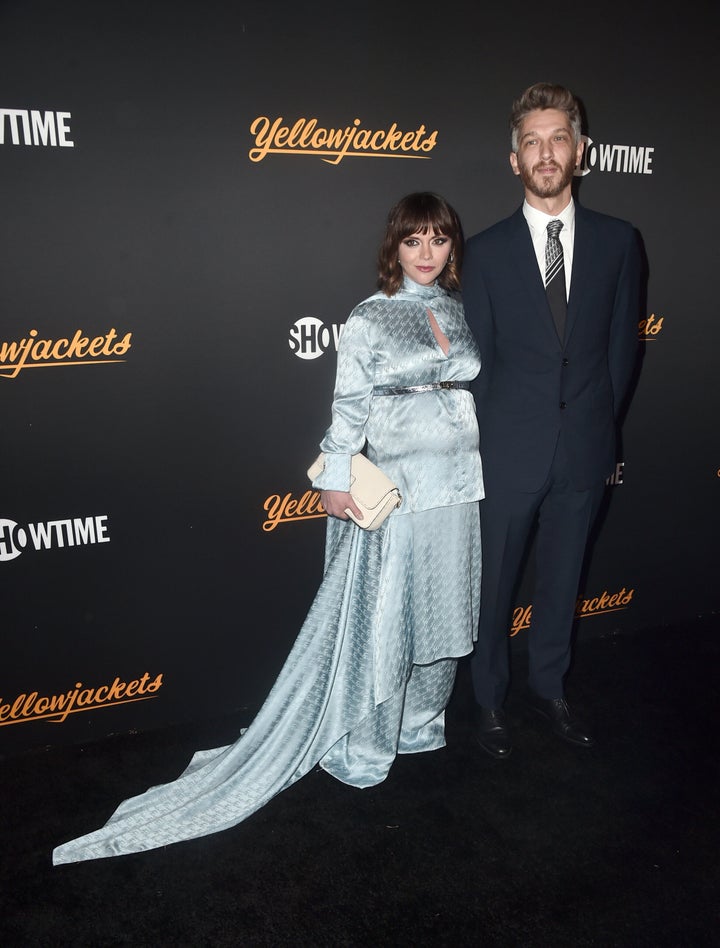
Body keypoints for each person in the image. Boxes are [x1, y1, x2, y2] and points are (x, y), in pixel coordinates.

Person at [53, 192, 484, 864]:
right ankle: (367, 745)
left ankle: (421, 726)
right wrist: (336, 479)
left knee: (445, 613)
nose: (427, 254)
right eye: (413, 242)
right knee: (390, 618)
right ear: (393, 249)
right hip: (401, 491)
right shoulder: (369, 318)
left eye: (438, 240)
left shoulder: (457, 311)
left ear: (452, 246)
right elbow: (348, 406)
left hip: (461, 489)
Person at [462, 83, 643, 758]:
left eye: (557, 138)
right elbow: (476, 364)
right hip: (507, 451)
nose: (545, 153)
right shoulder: (481, 252)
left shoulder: (621, 242)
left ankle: (550, 688)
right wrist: (486, 447)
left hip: (585, 449)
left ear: (581, 150)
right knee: (495, 584)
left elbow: (623, 348)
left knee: (564, 578)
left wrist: (602, 431)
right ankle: (487, 699)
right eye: (531, 142)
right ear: (515, 160)